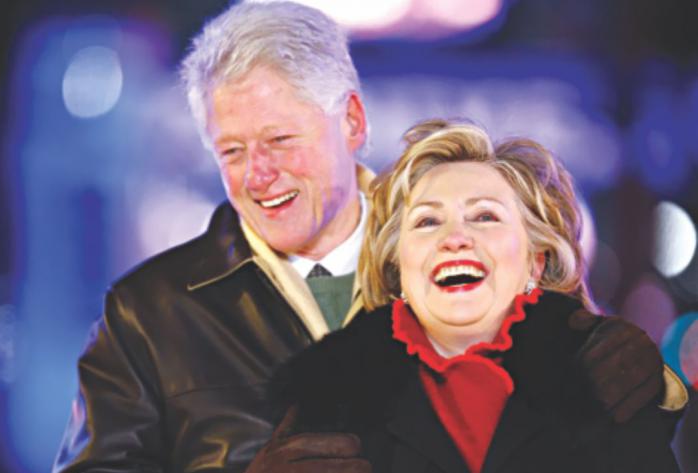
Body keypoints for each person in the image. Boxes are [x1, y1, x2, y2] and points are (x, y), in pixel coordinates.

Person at [53, 2, 685, 472]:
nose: (258, 175)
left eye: (279, 141)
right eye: (232, 151)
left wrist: (645, 379)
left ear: (351, 119)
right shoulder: (146, 313)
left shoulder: (464, 266)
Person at [268, 119, 681, 472]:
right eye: (428, 221)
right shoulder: (328, 396)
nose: (455, 239)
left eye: (484, 216)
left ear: (534, 263)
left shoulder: (604, 374)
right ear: (399, 269)